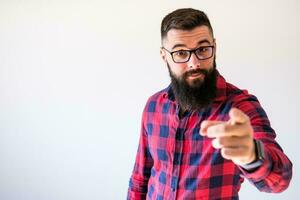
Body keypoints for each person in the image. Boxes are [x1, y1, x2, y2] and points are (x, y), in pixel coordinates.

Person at [127, 8, 292, 200]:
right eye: (181, 53)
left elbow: (280, 180)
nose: (194, 63)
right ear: (164, 56)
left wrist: (252, 155)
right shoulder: (154, 106)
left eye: (203, 49)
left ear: (214, 48)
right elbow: (140, 179)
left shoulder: (240, 108)